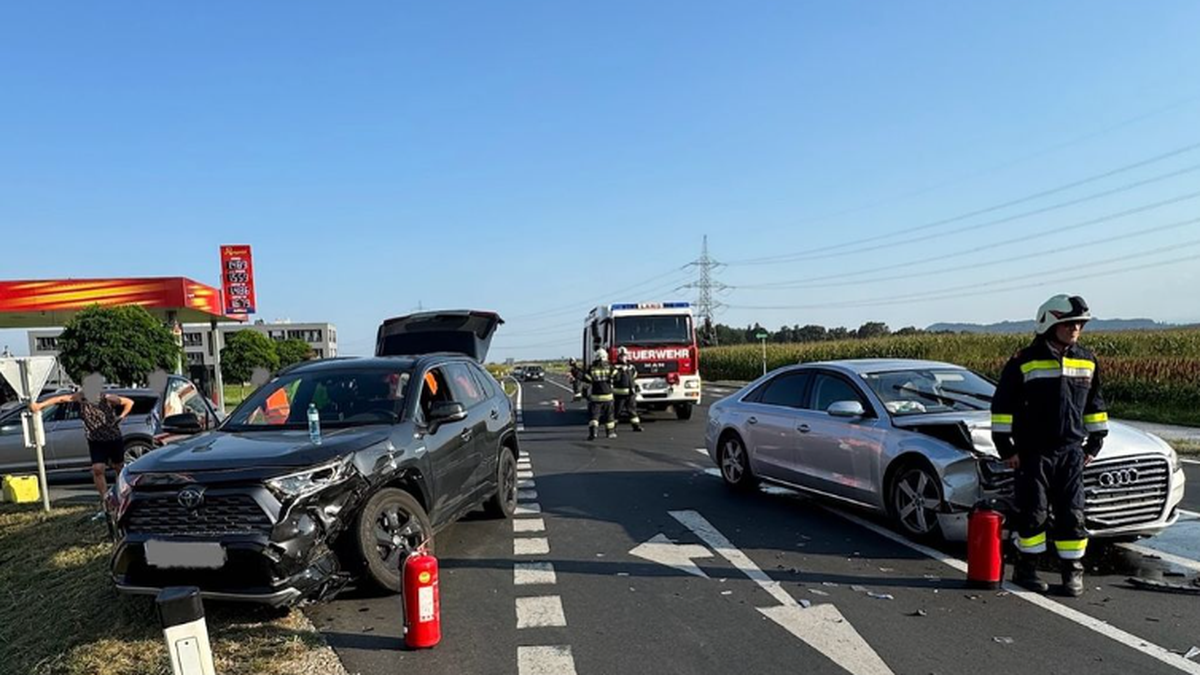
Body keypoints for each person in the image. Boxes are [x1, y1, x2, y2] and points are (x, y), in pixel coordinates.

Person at [991, 295, 1108, 597]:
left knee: (1073, 514)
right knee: (1034, 513)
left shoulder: (1087, 359)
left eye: (1079, 324)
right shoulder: (1023, 361)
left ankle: (1072, 573)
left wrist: (1094, 444)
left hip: (1071, 451)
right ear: (1050, 324)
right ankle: (1026, 568)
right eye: (1069, 323)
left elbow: (1094, 405)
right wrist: (1007, 449)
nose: (1075, 329)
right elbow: (1003, 407)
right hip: (1033, 452)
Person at [30, 373, 135, 511]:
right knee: (98, 469)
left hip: (113, 437)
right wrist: (40, 405)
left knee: (119, 467)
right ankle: (105, 499)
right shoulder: (80, 397)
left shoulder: (106, 398)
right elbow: (61, 399)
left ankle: (122, 495)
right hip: (95, 439)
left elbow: (129, 402)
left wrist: (121, 417)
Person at [582, 349, 616, 440]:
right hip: (608, 397)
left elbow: (586, 383)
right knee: (609, 416)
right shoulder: (610, 367)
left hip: (595, 397)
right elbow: (617, 377)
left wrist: (584, 394)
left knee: (594, 416)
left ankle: (593, 433)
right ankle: (610, 433)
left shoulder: (592, 369)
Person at [611, 347, 643, 432]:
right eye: (621, 356)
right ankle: (612, 428)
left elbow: (634, 376)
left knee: (632, 411)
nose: (623, 358)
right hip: (619, 394)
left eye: (624, 356)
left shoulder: (631, 366)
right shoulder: (615, 367)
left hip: (630, 393)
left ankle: (636, 426)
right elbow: (614, 378)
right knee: (617, 412)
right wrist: (621, 371)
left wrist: (634, 386)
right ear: (618, 357)